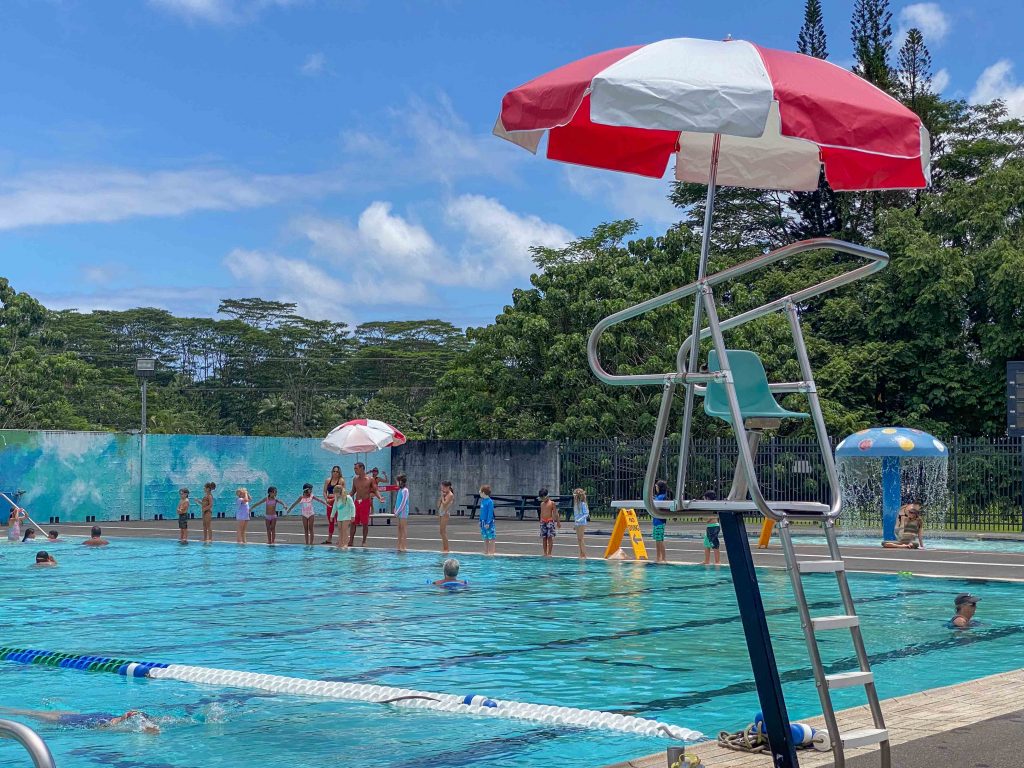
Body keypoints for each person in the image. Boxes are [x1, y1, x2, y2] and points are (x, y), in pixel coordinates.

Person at [0, 706, 160, 734]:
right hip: (78, 720)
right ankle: (9, 710)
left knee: (37, 713)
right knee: (32, 714)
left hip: (97, 715)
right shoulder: (105, 725)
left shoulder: (117, 723)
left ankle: (8, 709)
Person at [348, 462, 383, 547]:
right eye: (354, 469)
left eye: (356, 468)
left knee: (365, 523)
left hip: (365, 502)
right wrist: (346, 497)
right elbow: (353, 491)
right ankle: (351, 541)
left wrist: (380, 497)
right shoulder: (355, 479)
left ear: (362, 468)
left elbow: (375, 490)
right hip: (357, 502)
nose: (355, 470)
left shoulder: (370, 479)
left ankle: (364, 541)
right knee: (353, 522)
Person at [322, 465, 343, 545]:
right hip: (329, 502)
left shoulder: (341, 481)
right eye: (334, 471)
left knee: (339, 520)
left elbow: (341, 493)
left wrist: (333, 499)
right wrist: (326, 499)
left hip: (338, 502)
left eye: (337, 471)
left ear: (339, 472)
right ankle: (329, 539)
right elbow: (324, 491)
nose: (335, 473)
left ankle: (340, 539)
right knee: (330, 520)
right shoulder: (328, 480)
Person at [333, 480, 356, 550]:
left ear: (340, 492)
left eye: (336, 493)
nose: (335, 495)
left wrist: (353, 516)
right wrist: (332, 515)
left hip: (346, 517)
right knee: (340, 530)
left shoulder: (348, 497)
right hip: (339, 517)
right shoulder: (337, 498)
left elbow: (353, 506)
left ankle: (345, 543)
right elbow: (334, 507)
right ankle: (340, 543)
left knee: (344, 530)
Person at [652, 479, 671, 564]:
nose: (656, 488)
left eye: (656, 486)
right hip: (656, 520)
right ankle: (658, 557)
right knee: (657, 539)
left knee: (660, 539)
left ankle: (663, 558)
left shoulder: (663, 496)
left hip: (660, 520)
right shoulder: (658, 496)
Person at [538, 488, 559, 557]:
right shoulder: (542, 504)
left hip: (550, 521)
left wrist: (558, 522)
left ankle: (549, 553)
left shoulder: (552, 503)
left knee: (550, 537)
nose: (542, 499)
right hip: (543, 522)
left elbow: (556, 513)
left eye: (543, 498)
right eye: (541, 498)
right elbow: (541, 513)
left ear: (547, 496)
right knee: (544, 538)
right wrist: (540, 520)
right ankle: (545, 552)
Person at [571, 488, 590, 559]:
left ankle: (584, 554)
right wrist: (575, 524)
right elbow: (576, 515)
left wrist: (579, 520)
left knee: (581, 539)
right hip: (578, 523)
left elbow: (586, 514)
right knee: (579, 539)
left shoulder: (582, 504)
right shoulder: (576, 504)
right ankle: (581, 553)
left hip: (582, 523)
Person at [394, 474, 410, 553]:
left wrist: (397, 512)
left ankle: (404, 546)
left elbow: (403, 503)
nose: (396, 483)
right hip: (399, 511)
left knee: (403, 528)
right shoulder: (400, 490)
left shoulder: (405, 490)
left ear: (401, 482)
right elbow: (398, 501)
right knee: (399, 528)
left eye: (397, 481)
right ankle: (399, 545)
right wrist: (395, 509)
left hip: (403, 511)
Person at [437, 481, 455, 553]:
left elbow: (444, 504)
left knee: (443, 532)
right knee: (441, 532)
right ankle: (444, 548)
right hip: (441, 512)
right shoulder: (445, 494)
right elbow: (439, 505)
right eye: (442, 487)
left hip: (445, 513)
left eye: (444, 487)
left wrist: (442, 496)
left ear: (448, 487)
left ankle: (446, 549)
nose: (442, 489)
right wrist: (441, 497)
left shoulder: (450, 495)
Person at [479, 484, 496, 555]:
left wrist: (488, 523)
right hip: (483, 522)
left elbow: (490, 513)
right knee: (485, 537)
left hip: (489, 523)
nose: (479, 493)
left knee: (491, 538)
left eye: (480, 491)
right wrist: (480, 521)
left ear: (483, 493)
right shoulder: (482, 501)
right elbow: (481, 512)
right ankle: (486, 551)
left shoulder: (490, 502)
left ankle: (492, 552)